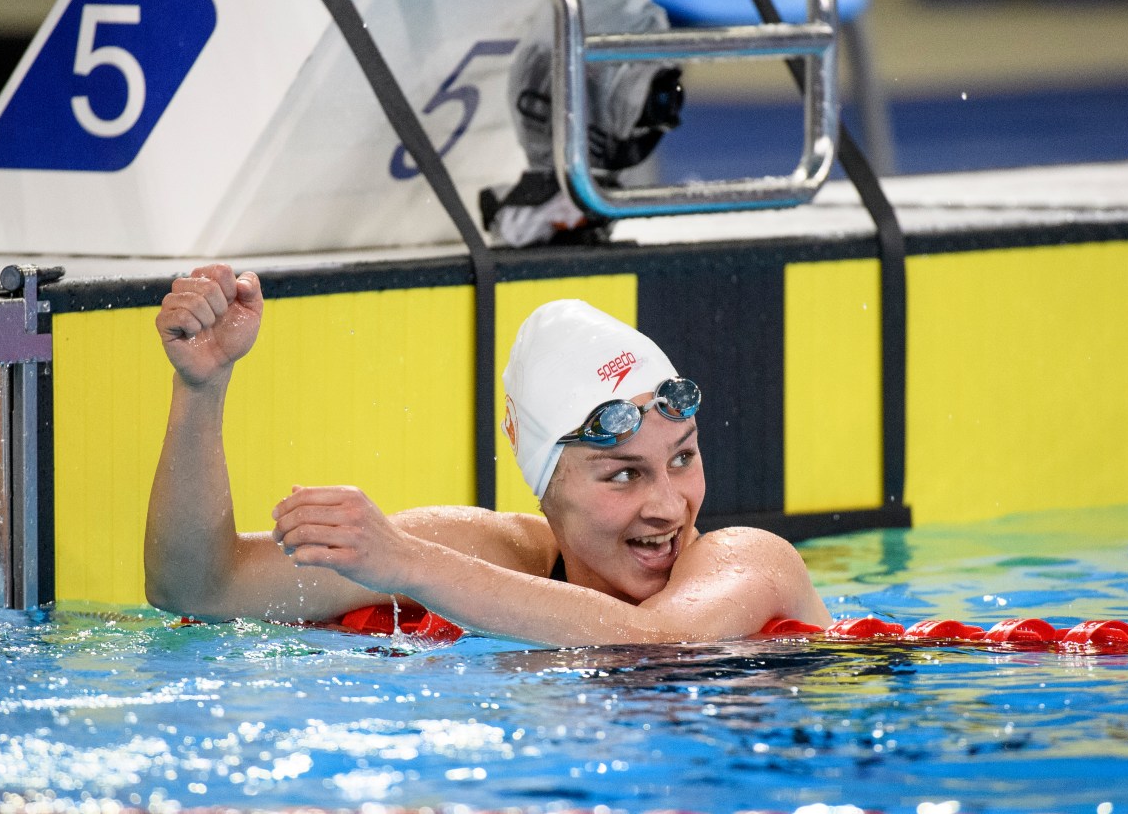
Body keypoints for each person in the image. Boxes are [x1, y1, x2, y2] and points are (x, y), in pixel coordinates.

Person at [145, 263, 831, 646]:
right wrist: (200, 388)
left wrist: (406, 561)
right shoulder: (484, 552)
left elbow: (656, 642)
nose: (668, 505)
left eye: (682, 458)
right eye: (624, 472)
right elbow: (200, 587)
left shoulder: (748, 560)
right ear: (541, 474)